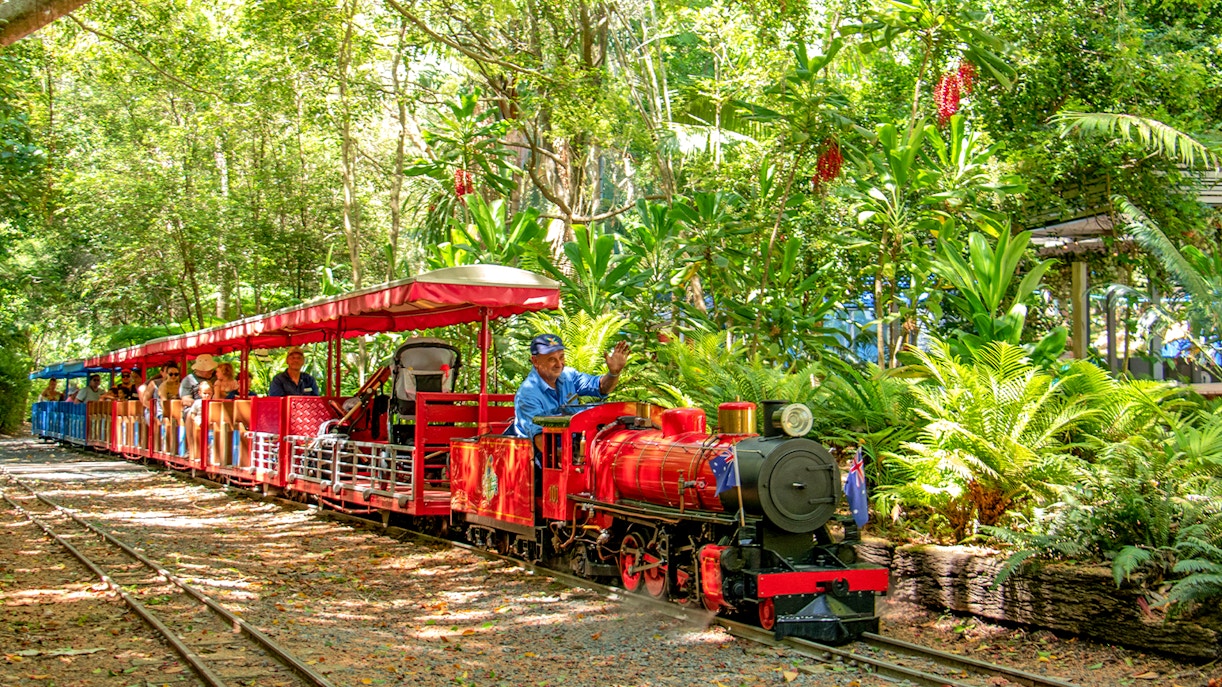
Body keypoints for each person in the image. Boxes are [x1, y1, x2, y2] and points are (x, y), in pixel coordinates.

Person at [512, 334, 629, 452]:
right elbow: (540, 440)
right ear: (535, 361)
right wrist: (575, 458)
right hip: (538, 455)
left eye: (561, 357)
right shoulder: (527, 394)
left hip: (571, 444)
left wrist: (614, 373)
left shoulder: (568, 376)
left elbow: (601, 387)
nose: (559, 364)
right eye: (552, 359)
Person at [180, 354, 218, 419]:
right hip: (194, 409)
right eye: (209, 369)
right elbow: (185, 400)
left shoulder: (215, 378)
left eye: (212, 369)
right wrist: (201, 404)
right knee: (191, 414)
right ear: (200, 369)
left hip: (214, 407)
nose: (212, 371)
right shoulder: (188, 380)